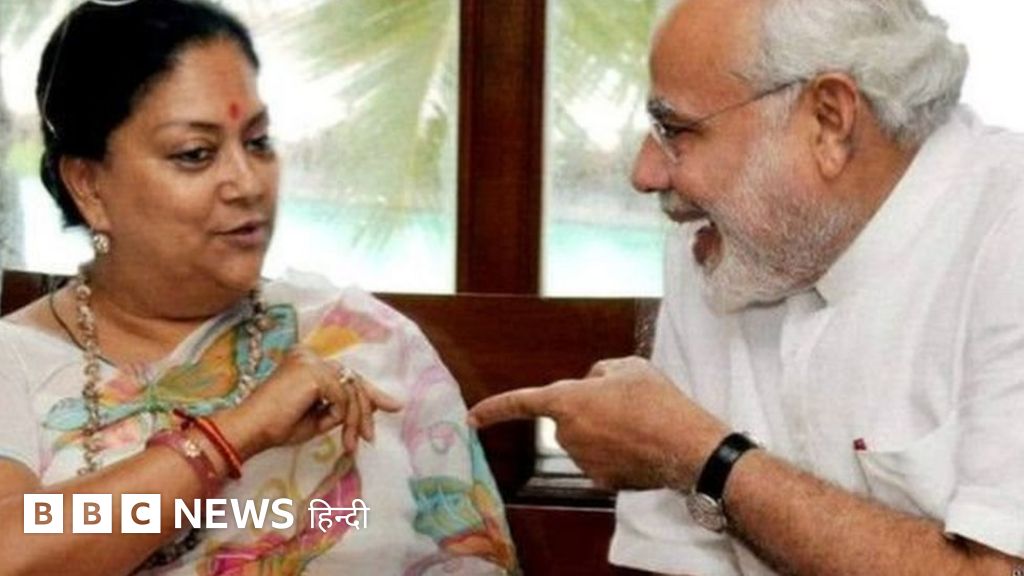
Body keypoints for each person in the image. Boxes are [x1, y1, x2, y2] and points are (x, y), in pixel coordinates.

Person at [469, 0, 1024, 574]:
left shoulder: (1009, 234)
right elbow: (673, 562)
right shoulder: (720, 243)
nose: (645, 173)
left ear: (829, 121)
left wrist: (699, 456)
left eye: (676, 130)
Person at [0, 1, 518, 574]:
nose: (247, 184)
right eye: (195, 154)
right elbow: (12, 548)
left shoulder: (361, 339)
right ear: (89, 185)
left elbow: (466, 554)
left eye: (257, 142)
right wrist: (235, 435)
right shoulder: (13, 363)